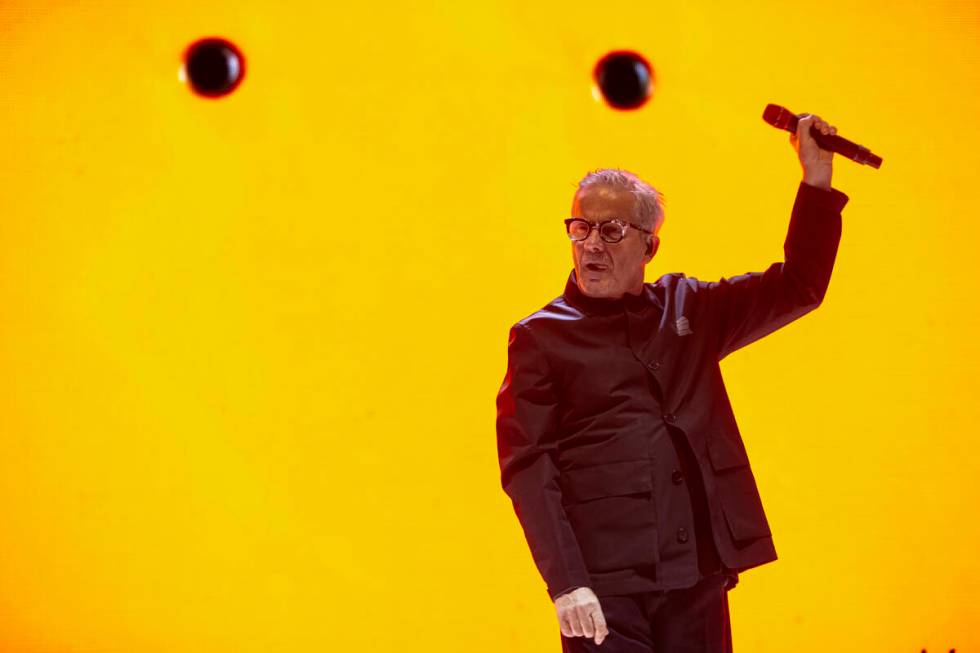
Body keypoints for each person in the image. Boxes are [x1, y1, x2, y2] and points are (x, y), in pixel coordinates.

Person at [495, 114, 849, 652]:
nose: (591, 245)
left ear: (649, 247)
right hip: (605, 590)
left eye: (611, 231)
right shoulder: (540, 338)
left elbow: (799, 285)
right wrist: (567, 583)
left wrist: (816, 180)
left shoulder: (692, 308)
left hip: (697, 574)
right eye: (580, 228)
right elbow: (528, 467)